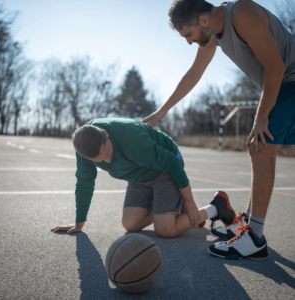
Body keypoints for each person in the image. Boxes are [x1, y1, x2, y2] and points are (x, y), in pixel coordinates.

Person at [142, 0, 295, 259]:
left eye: (188, 35)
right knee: (259, 147)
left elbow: (276, 67)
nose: (190, 42)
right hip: (284, 84)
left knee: (259, 145)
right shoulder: (214, 33)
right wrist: (162, 111)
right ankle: (250, 225)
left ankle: (254, 237)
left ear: (202, 20)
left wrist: (261, 118)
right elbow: (194, 74)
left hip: (289, 79)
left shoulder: (242, 13)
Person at [51, 118, 236, 238]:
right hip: (138, 175)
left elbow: (172, 163)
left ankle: (216, 207)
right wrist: (79, 222)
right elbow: (84, 182)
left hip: (166, 170)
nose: (108, 160)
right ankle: (170, 210)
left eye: (108, 152)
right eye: (101, 161)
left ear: (106, 135)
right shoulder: (84, 150)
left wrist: (189, 203)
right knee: (130, 225)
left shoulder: (132, 140)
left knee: (166, 230)